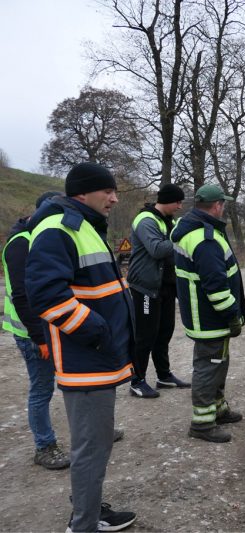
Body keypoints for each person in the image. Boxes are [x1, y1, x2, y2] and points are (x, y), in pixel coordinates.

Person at [25, 162, 136, 532]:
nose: (114, 198)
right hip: (85, 359)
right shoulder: (59, 229)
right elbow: (46, 297)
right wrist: (98, 331)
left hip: (96, 357)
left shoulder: (82, 226)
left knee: (96, 443)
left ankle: (87, 510)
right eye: (108, 191)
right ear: (82, 192)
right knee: (92, 447)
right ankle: (84, 524)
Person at [171, 184, 245, 443]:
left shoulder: (194, 230)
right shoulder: (205, 238)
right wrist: (232, 314)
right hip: (210, 318)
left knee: (218, 363)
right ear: (217, 206)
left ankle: (218, 409)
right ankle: (202, 424)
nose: (224, 207)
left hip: (204, 317)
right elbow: (215, 286)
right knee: (209, 366)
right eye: (223, 204)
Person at [2, 191, 70, 469]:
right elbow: (22, 295)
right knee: (42, 389)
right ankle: (44, 446)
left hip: (54, 327)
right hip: (33, 333)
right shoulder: (21, 243)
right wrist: (38, 337)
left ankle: (87, 431)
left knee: (72, 382)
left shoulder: (44, 236)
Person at [127, 183, 189, 398]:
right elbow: (156, 249)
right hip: (145, 286)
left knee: (165, 332)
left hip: (165, 286)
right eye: (178, 202)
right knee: (145, 336)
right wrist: (180, 235)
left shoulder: (168, 221)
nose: (180, 206)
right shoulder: (146, 220)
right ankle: (137, 381)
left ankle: (164, 375)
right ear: (167, 200)